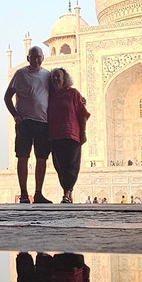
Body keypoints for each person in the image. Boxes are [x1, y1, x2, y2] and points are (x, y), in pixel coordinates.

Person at [4, 45, 52, 203]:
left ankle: (38, 193)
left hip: (43, 122)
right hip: (25, 122)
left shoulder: (48, 75)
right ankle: (24, 194)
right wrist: (15, 115)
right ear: (28, 58)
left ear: (43, 58)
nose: (36, 60)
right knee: (23, 157)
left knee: (41, 158)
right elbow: (7, 97)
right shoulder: (20, 74)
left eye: (39, 57)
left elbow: (59, 93)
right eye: (33, 57)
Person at [47, 67, 90, 204]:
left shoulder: (73, 93)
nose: (56, 79)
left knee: (71, 165)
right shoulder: (50, 95)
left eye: (58, 76)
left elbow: (82, 114)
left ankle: (66, 194)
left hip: (72, 135)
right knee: (59, 166)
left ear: (64, 78)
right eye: (53, 76)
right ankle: (68, 193)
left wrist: (83, 133)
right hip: (55, 135)